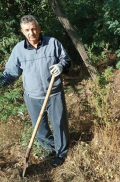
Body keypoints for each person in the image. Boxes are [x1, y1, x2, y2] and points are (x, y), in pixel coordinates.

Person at [0, 15, 71, 167]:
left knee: (59, 125)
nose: (31, 33)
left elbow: (66, 60)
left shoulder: (52, 43)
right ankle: (50, 148)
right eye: (27, 30)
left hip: (54, 93)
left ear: (39, 29)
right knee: (39, 129)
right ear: (22, 31)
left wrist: (61, 66)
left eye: (33, 29)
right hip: (32, 96)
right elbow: (11, 73)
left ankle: (61, 153)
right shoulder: (19, 49)